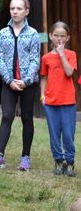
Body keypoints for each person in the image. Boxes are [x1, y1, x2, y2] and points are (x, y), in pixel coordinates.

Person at [0, 0, 41, 171]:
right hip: (8, 83)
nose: (15, 11)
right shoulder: (3, 33)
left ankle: (25, 157)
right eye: (12, 8)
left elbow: (35, 59)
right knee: (7, 116)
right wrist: (9, 80)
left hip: (28, 84)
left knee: (26, 117)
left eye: (19, 8)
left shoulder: (33, 34)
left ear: (26, 11)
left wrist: (26, 81)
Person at [40, 21, 77, 177]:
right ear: (50, 36)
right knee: (54, 134)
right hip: (51, 102)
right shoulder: (46, 58)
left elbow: (69, 73)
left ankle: (70, 162)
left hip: (68, 102)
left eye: (62, 36)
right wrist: (42, 95)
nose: (59, 39)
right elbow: (43, 77)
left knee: (68, 134)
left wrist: (62, 54)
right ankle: (58, 161)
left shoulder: (71, 54)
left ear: (67, 38)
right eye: (56, 35)